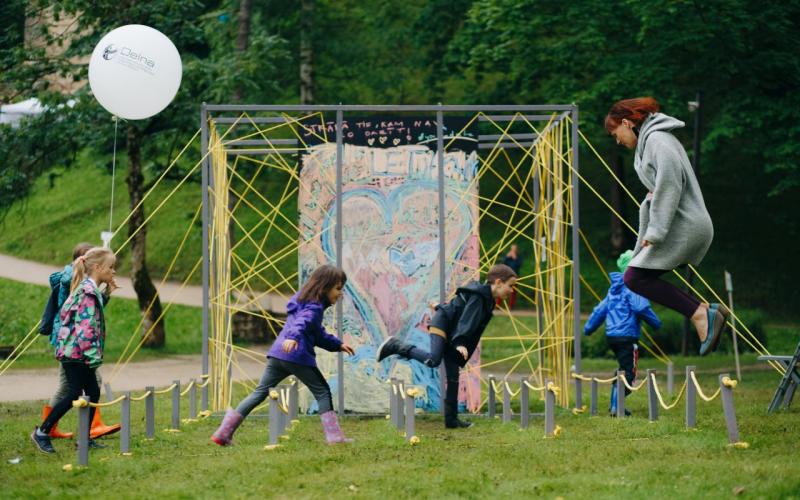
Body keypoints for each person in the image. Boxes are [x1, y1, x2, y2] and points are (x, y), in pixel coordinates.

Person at [605, 97, 728, 356]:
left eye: (617, 134)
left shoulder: (659, 142)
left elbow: (669, 187)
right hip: (680, 224)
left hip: (685, 225)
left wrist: (656, 231)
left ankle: (701, 314)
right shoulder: (651, 144)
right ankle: (705, 312)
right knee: (639, 277)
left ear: (627, 123)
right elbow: (657, 192)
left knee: (634, 277)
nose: (618, 141)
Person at [211, 265, 356, 446]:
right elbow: (303, 323)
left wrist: (338, 344)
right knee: (323, 392)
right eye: (338, 288)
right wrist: (293, 337)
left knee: (259, 392)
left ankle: (223, 433)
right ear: (325, 287)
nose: (340, 293)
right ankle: (335, 437)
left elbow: (317, 333)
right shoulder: (314, 308)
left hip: (278, 355)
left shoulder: (303, 303)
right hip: (297, 355)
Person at [376, 264, 517, 429]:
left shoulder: (487, 298)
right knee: (433, 359)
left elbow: (457, 308)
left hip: (450, 328)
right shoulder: (480, 296)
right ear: (499, 282)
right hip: (443, 326)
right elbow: (467, 320)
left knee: (453, 376)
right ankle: (395, 345)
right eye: (511, 286)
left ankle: (451, 420)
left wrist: (438, 307)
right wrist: (460, 342)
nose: (512, 290)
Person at [31, 247, 119, 454]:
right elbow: (85, 328)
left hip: (77, 351)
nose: (114, 271)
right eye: (111, 267)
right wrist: (92, 357)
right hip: (75, 352)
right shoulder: (87, 291)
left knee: (93, 391)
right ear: (97, 267)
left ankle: (84, 438)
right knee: (73, 392)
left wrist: (108, 290)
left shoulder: (90, 288)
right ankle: (42, 432)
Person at [583, 250, 662, 416]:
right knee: (629, 373)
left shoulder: (614, 290)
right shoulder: (632, 287)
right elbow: (641, 307)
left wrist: (589, 328)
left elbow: (600, 310)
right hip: (627, 336)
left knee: (622, 369)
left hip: (612, 336)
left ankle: (615, 404)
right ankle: (616, 406)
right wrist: (656, 322)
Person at [498, 244, 522, 308]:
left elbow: (518, 265)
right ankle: (498, 305)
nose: (513, 250)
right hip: (506, 275)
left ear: (516, 250)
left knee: (513, 291)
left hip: (514, 276)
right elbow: (504, 264)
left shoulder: (518, 257)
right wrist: (506, 257)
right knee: (502, 288)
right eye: (512, 249)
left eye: (514, 249)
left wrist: (515, 258)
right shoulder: (508, 257)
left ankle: (511, 306)